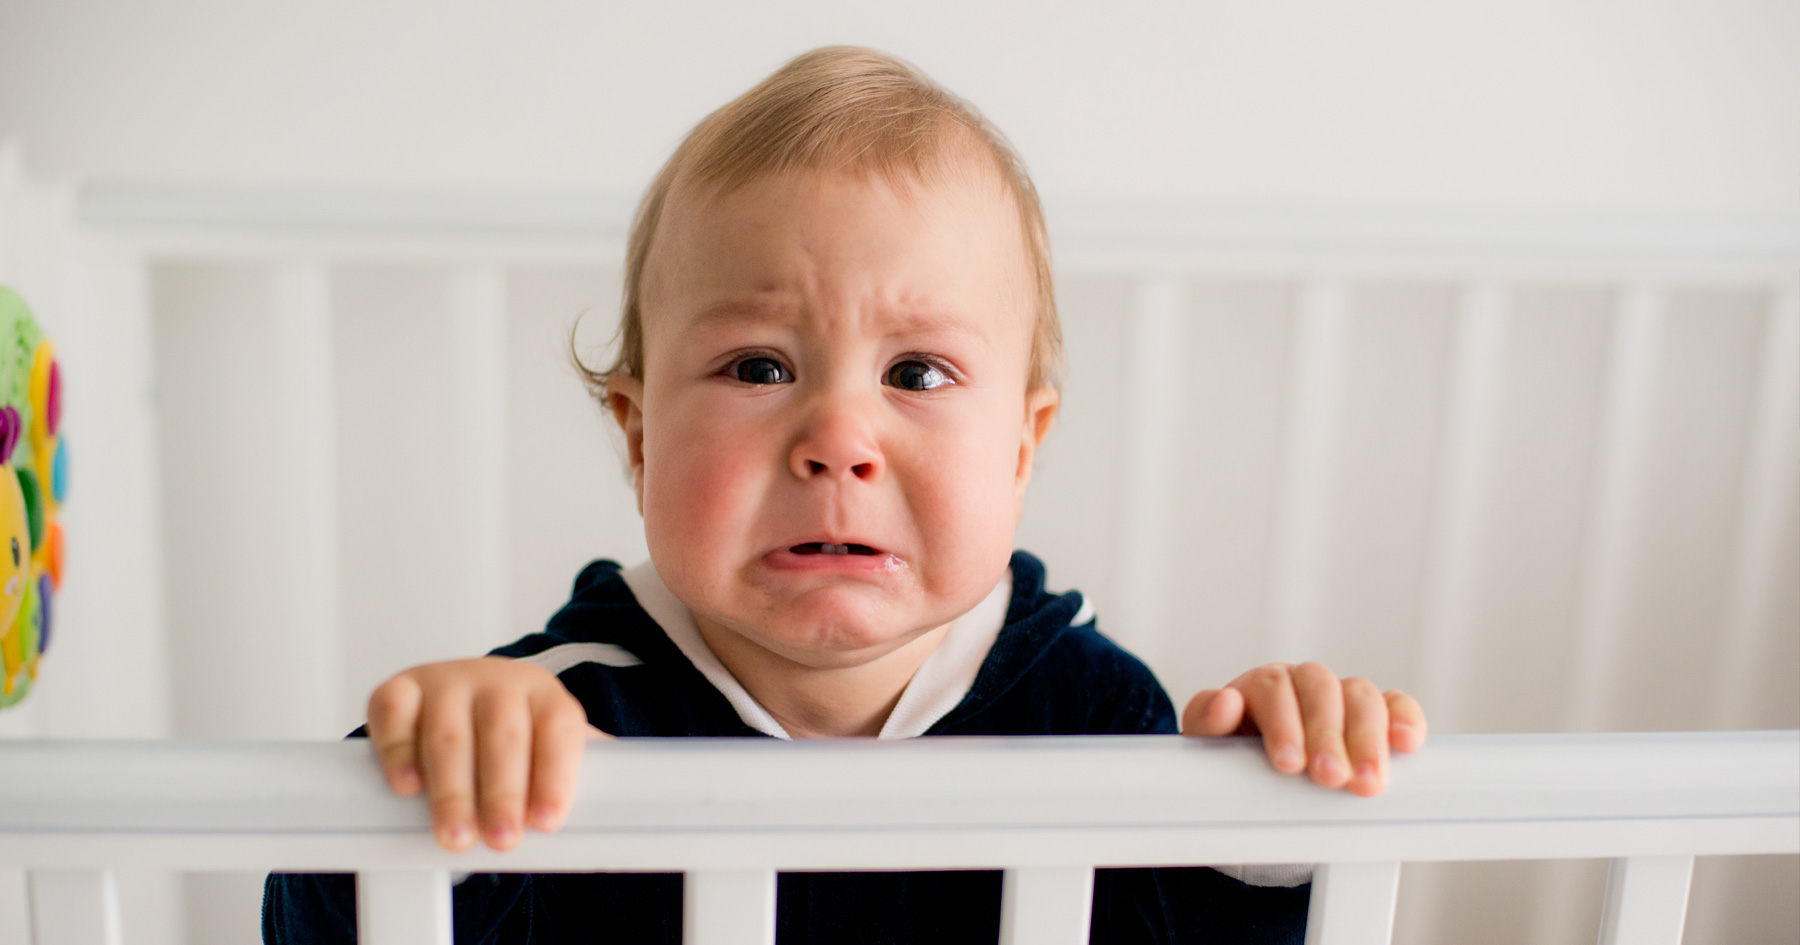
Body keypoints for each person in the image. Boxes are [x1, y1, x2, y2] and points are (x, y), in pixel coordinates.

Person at [265, 45, 1426, 944]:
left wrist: (1282, 819)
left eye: (917, 373)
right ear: (633, 429)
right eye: (758, 367)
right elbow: (327, 922)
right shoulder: (564, 724)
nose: (837, 442)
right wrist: (422, 778)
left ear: (1024, 448)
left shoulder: (1093, 719)